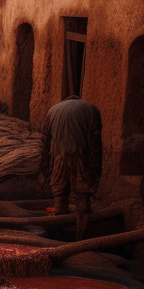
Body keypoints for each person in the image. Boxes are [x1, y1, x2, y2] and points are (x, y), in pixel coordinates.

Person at [39, 95, 103, 235]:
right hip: (81, 154)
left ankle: (59, 235)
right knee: (82, 197)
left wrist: (45, 167)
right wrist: (95, 167)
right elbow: (95, 139)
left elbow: (46, 140)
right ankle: (82, 235)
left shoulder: (52, 110)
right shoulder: (91, 109)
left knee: (60, 198)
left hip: (58, 155)